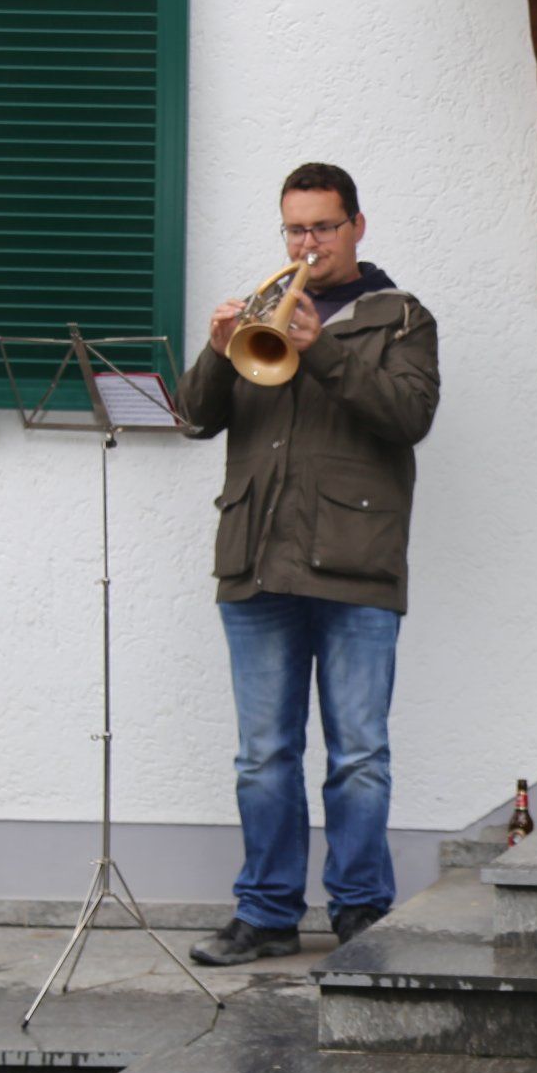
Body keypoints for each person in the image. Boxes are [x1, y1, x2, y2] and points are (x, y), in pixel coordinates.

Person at [182, 162, 440, 965]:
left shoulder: (401, 317)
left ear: (357, 225)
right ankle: (265, 913)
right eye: (295, 229)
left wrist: (320, 349)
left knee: (359, 755)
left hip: (357, 564)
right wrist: (218, 352)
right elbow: (193, 417)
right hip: (258, 561)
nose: (308, 244)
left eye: (323, 227)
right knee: (263, 756)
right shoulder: (261, 308)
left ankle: (361, 910)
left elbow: (409, 415)